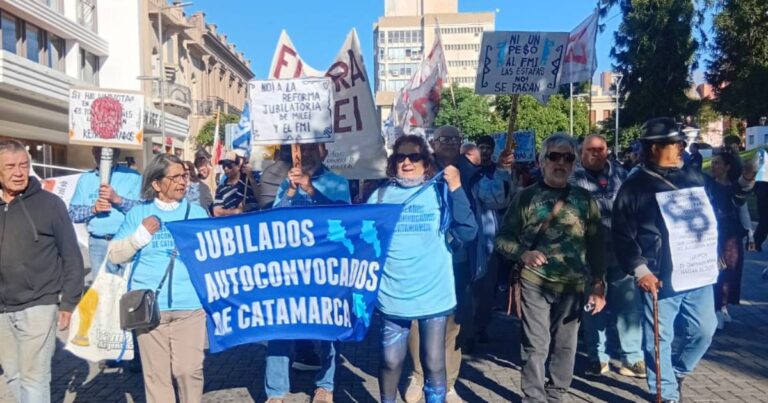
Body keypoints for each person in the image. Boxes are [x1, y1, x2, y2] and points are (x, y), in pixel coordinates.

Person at [612, 117, 756, 402]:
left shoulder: (693, 175)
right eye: (676, 143)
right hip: (659, 276)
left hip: (697, 272)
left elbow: (724, 201)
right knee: (659, 339)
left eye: (682, 142)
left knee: (705, 329)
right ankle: (665, 393)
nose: (682, 147)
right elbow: (622, 233)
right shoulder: (635, 185)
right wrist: (640, 270)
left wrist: (746, 182)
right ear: (654, 148)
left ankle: (677, 371)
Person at [495, 133, 606, 403]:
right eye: (554, 156)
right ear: (541, 161)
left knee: (566, 346)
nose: (561, 163)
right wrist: (524, 253)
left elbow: (596, 243)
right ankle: (534, 398)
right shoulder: (526, 197)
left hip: (572, 286)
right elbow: (502, 238)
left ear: (575, 163)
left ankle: (557, 395)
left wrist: (599, 284)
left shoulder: (584, 200)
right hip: (535, 282)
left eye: (567, 158)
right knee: (536, 345)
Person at [369, 135, 476, 403]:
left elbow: (468, 230)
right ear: (392, 162)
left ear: (426, 162)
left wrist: (457, 188)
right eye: (400, 157)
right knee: (391, 360)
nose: (407, 162)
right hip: (393, 292)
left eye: (414, 157)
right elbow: (361, 237)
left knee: (434, 361)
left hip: (433, 293)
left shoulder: (439, 191)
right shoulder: (380, 195)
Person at [108, 154, 208, 403]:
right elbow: (114, 255)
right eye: (175, 177)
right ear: (156, 184)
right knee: (156, 376)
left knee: (188, 370)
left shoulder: (197, 212)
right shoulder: (138, 214)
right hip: (149, 306)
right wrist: (139, 236)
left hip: (191, 305)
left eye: (184, 176)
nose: (182, 182)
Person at [265, 142, 351, 403]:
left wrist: (310, 189)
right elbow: (273, 220)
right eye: (301, 151)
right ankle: (276, 390)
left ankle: (325, 385)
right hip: (291, 267)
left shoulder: (338, 182)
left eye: (313, 149)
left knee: (329, 327)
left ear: (324, 153)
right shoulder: (285, 182)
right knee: (280, 326)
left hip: (326, 267)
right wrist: (291, 191)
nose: (307, 155)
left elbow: (342, 217)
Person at [0, 139, 84, 403]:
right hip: (2, 309)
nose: (18, 172)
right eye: (10, 166)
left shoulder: (50, 204)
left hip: (40, 302)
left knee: (34, 378)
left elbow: (71, 255)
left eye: (24, 165)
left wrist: (68, 302)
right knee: (13, 375)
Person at [405, 125, 476, 403]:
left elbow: (493, 200)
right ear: (432, 143)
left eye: (455, 139)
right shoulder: (421, 172)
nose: (449, 143)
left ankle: (447, 384)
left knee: (452, 325)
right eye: (443, 139)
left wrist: (503, 172)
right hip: (423, 259)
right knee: (417, 320)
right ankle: (419, 375)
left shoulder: (472, 172)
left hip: (457, 259)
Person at [570, 135, 645, 378]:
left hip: (622, 250)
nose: (596, 153)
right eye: (590, 150)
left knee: (629, 307)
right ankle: (597, 357)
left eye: (600, 149)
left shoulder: (622, 174)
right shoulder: (573, 178)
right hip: (589, 253)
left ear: (607, 150)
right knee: (594, 307)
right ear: (581, 153)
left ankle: (632, 358)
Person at [69, 147, 141, 284]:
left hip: (126, 241)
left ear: (118, 152)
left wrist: (118, 200)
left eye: (109, 151)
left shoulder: (133, 176)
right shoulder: (85, 179)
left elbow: (142, 210)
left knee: (128, 289)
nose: (104, 154)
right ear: (93, 152)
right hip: (98, 245)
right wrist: (93, 209)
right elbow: (72, 213)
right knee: (102, 292)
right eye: (99, 151)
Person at [470, 135, 515, 346]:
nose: (485, 151)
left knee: (489, 288)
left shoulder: (497, 172)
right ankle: (472, 327)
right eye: (481, 147)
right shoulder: (472, 173)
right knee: (477, 287)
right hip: (477, 239)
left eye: (488, 148)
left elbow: (508, 198)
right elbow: (494, 199)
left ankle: (481, 326)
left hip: (496, 239)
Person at [708, 152, 753, 330]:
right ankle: (715, 307)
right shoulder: (708, 185)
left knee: (731, 270)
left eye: (717, 163)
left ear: (727, 166)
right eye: (712, 163)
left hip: (731, 233)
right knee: (716, 269)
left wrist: (749, 233)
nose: (713, 166)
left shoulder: (733, 187)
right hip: (712, 232)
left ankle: (723, 306)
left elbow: (743, 205)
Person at [212, 151, 259, 216]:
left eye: (229, 165)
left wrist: (251, 177)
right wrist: (236, 212)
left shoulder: (248, 179)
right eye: (224, 166)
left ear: (238, 166)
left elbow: (260, 198)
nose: (225, 168)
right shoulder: (221, 188)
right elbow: (216, 212)